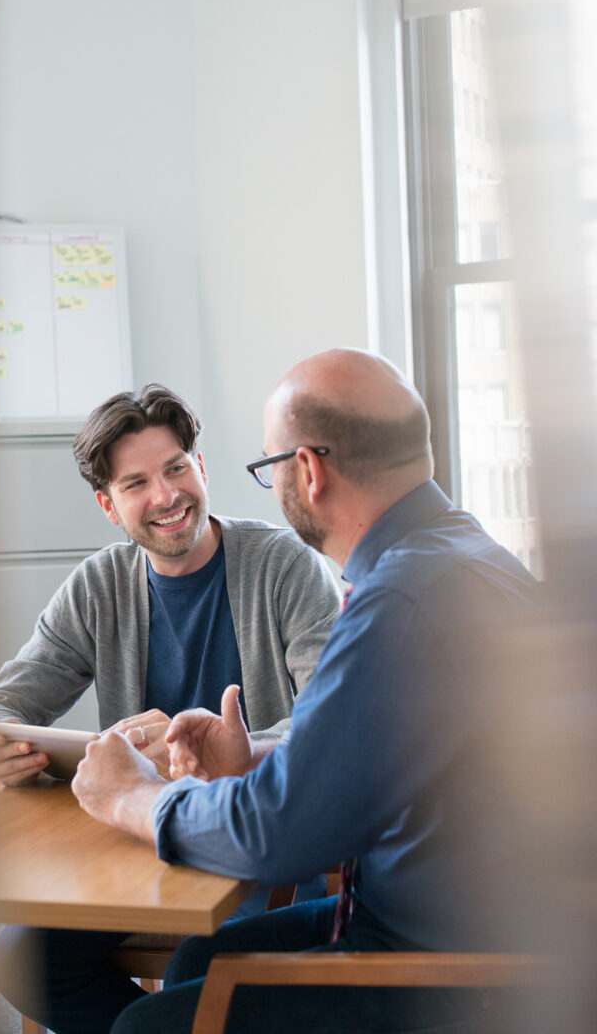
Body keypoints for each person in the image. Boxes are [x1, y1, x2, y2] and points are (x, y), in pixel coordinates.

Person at [70, 348, 541, 1034]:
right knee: (200, 958)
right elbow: (377, 765)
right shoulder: (462, 555)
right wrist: (259, 761)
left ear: (309, 470)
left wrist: (132, 796)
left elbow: (277, 838)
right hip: (441, 913)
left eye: (269, 467)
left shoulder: (398, 603)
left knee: (143, 1027)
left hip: (453, 970)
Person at [0, 381, 341, 1032]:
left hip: (251, 844)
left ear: (200, 467)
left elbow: (326, 728)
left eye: (176, 468)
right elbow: (4, 700)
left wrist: (236, 751)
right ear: (109, 506)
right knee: (25, 958)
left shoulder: (287, 565)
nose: (166, 495)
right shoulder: (99, 583)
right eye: (136, 482)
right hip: (140, 848)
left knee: (195, 978)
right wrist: (8, 745)